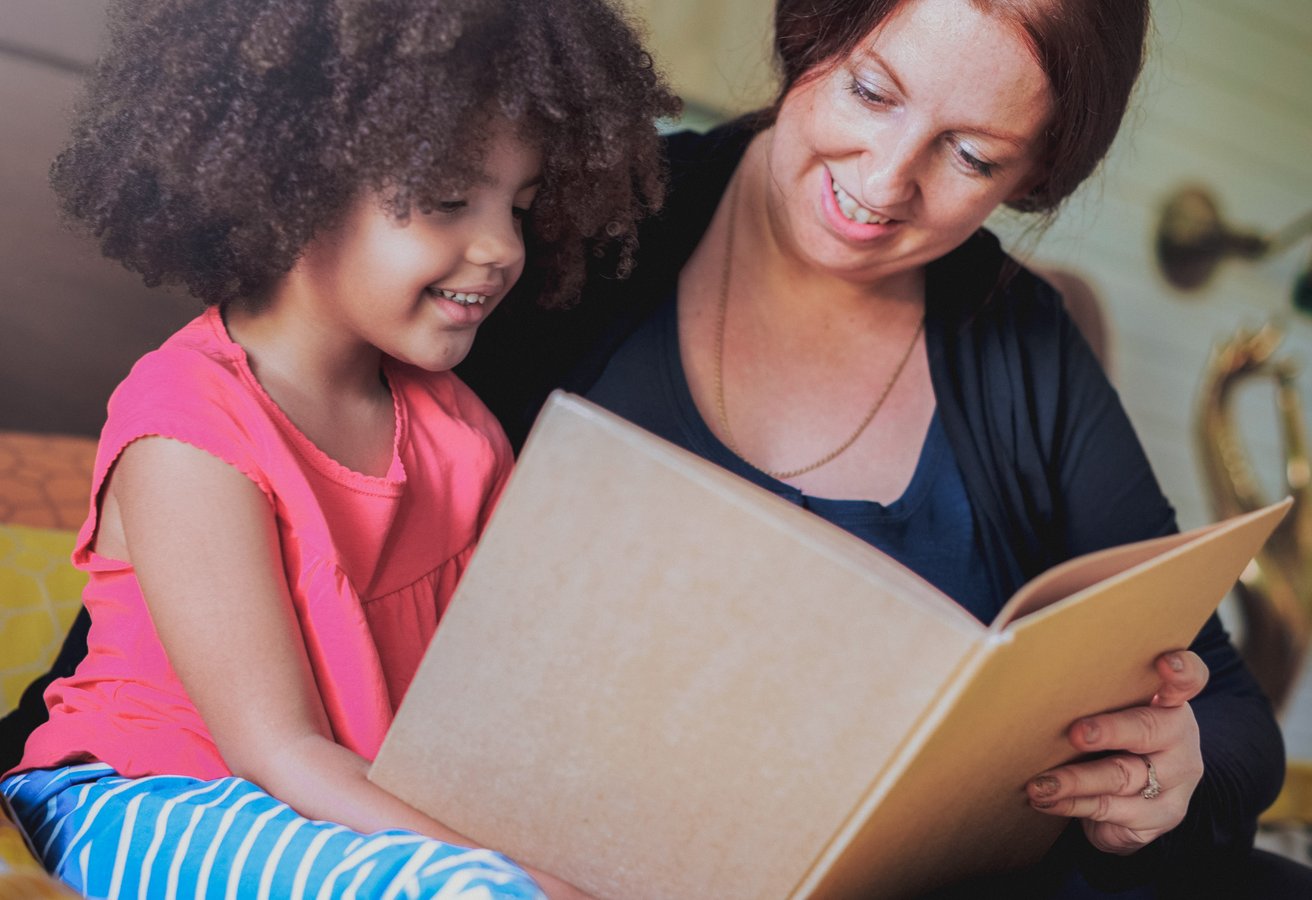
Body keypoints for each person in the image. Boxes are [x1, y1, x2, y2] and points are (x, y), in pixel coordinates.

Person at [453, 0, 1293, 895]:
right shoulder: (577, 223)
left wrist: (1168, 776)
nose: (887, 183)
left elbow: (1234, 715)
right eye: (871, 92)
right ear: (813, 33)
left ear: (1034, 175)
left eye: (971, 155)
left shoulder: (1026, 344)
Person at [0, 0, 676, 897]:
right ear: (298, 187)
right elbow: (276, 750)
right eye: (447, 201)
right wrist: (515, 871)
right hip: (149, 795)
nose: (501, 247)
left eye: (520, 205)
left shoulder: (461, 430)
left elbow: (500, 707)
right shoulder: (189, 426)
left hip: (340, 806)